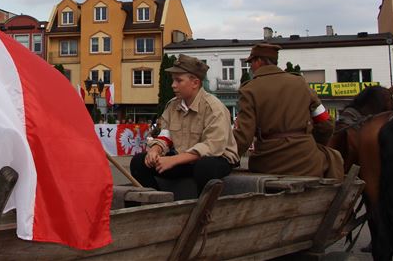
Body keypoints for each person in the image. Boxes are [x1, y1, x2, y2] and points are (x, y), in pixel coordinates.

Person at [130, 55, 239, 196]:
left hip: (217, 158)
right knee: (139, 162)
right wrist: (155, 151)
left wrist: (173, 160)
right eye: (173, 80)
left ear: (195, 83)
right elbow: (166, 135)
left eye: (178, 80)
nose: (173, 85)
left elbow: (212, 147)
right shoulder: (172, 105)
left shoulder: (214, 108)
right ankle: (158, 200)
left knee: (205, 167)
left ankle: (203, 206)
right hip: (184, 158)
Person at [233, 43, 343, 179]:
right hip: (308, 162)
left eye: (251, 63)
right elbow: (326, 122)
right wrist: (312, 144)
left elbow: (244, 136)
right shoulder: (301, 83)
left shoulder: (249, 90)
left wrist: (228, 157)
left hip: (268, 164)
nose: (250, 67)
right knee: (333, 157)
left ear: (259, 61)